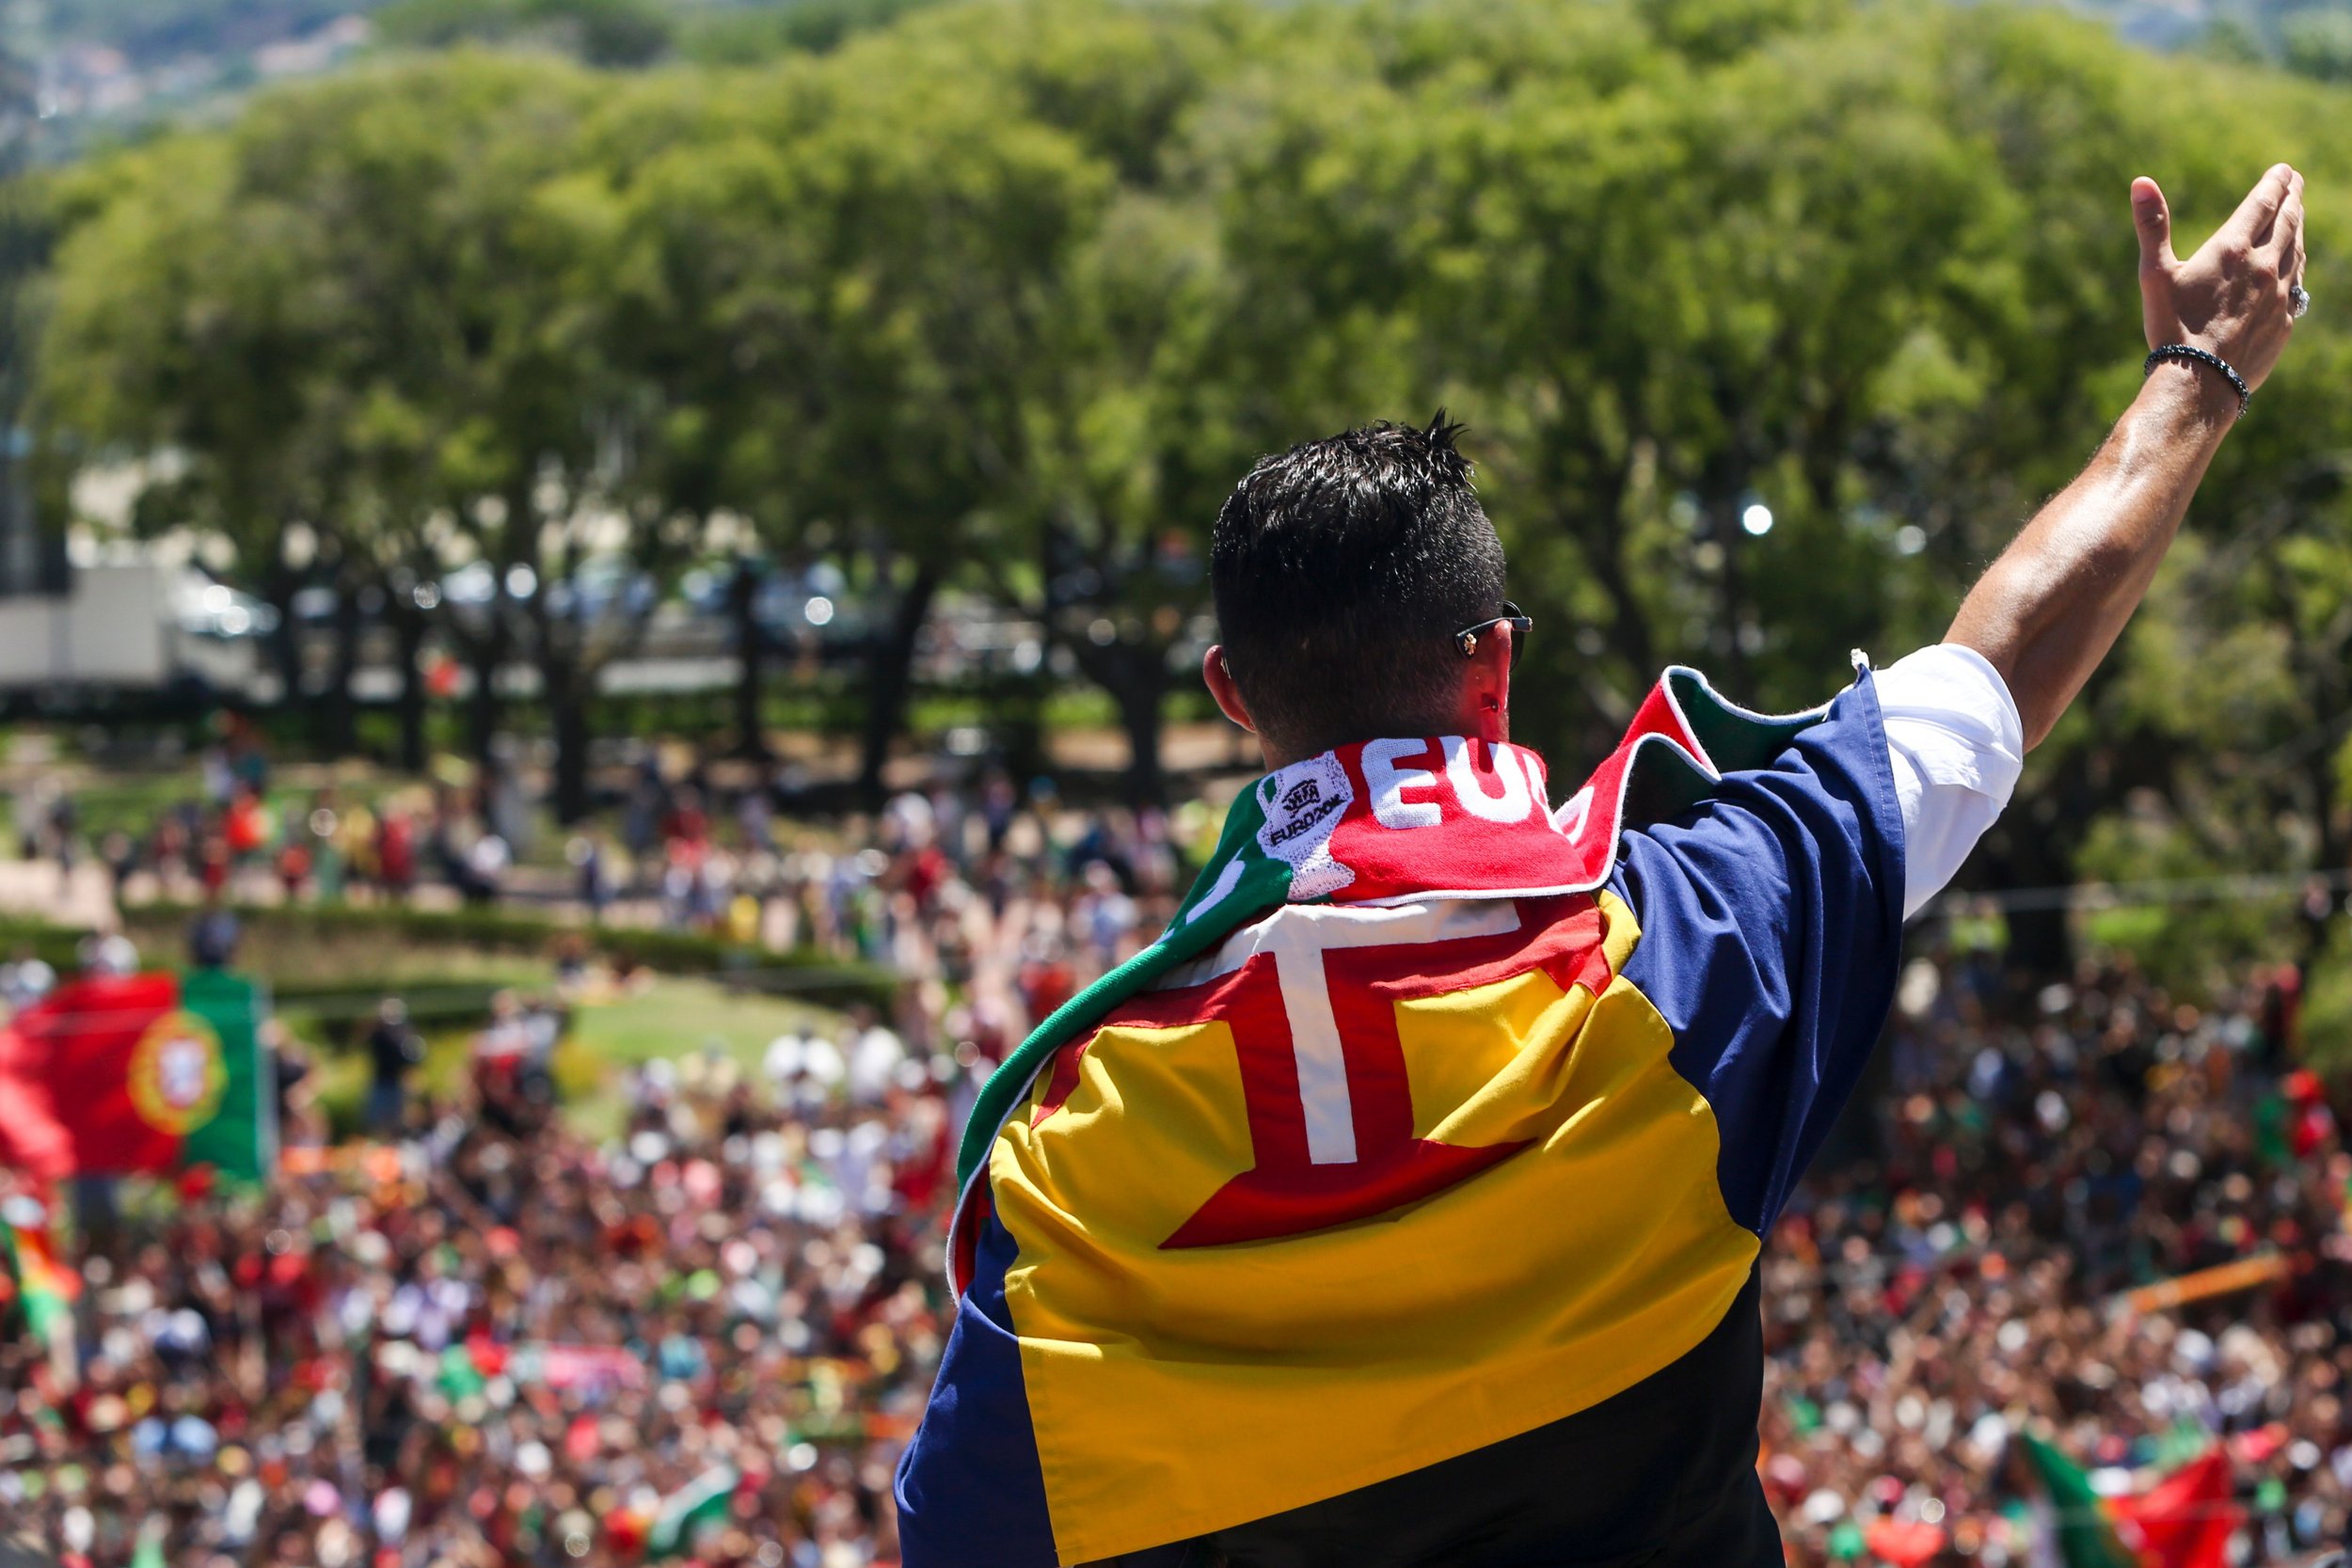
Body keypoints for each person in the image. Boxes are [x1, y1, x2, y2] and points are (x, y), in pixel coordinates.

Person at [894, 165, 2310, 1566]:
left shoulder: (1079, 1153)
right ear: (1497, 664)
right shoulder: (1689, 954)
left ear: (1230, 693)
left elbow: (961, 1526)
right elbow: (1991, 677)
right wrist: (2199, 372)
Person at [365, 997, 423, 1135]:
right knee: (377, 1121)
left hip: (397, 1082)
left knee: (398, 1120)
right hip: (381, 1081)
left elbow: (412, 1058)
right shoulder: (378, 1033)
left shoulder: (404, 1033)